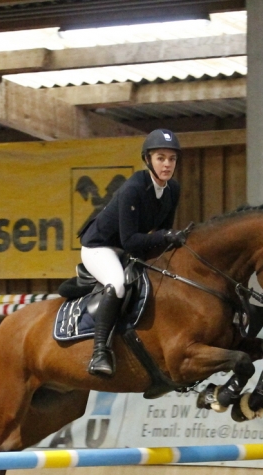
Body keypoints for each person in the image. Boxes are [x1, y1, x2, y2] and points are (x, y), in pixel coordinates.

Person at [78, 129, 186, 378]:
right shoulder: (133, 189)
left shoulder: (173, 189)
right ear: (148, 160)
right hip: (100, 247)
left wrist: (169, 239)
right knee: (117, 284)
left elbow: (162, 230)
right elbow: (129, 241)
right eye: (161, 158)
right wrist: (165, 237)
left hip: (131, 247)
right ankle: (99, 352)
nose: (167, 164)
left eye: (172, 159)